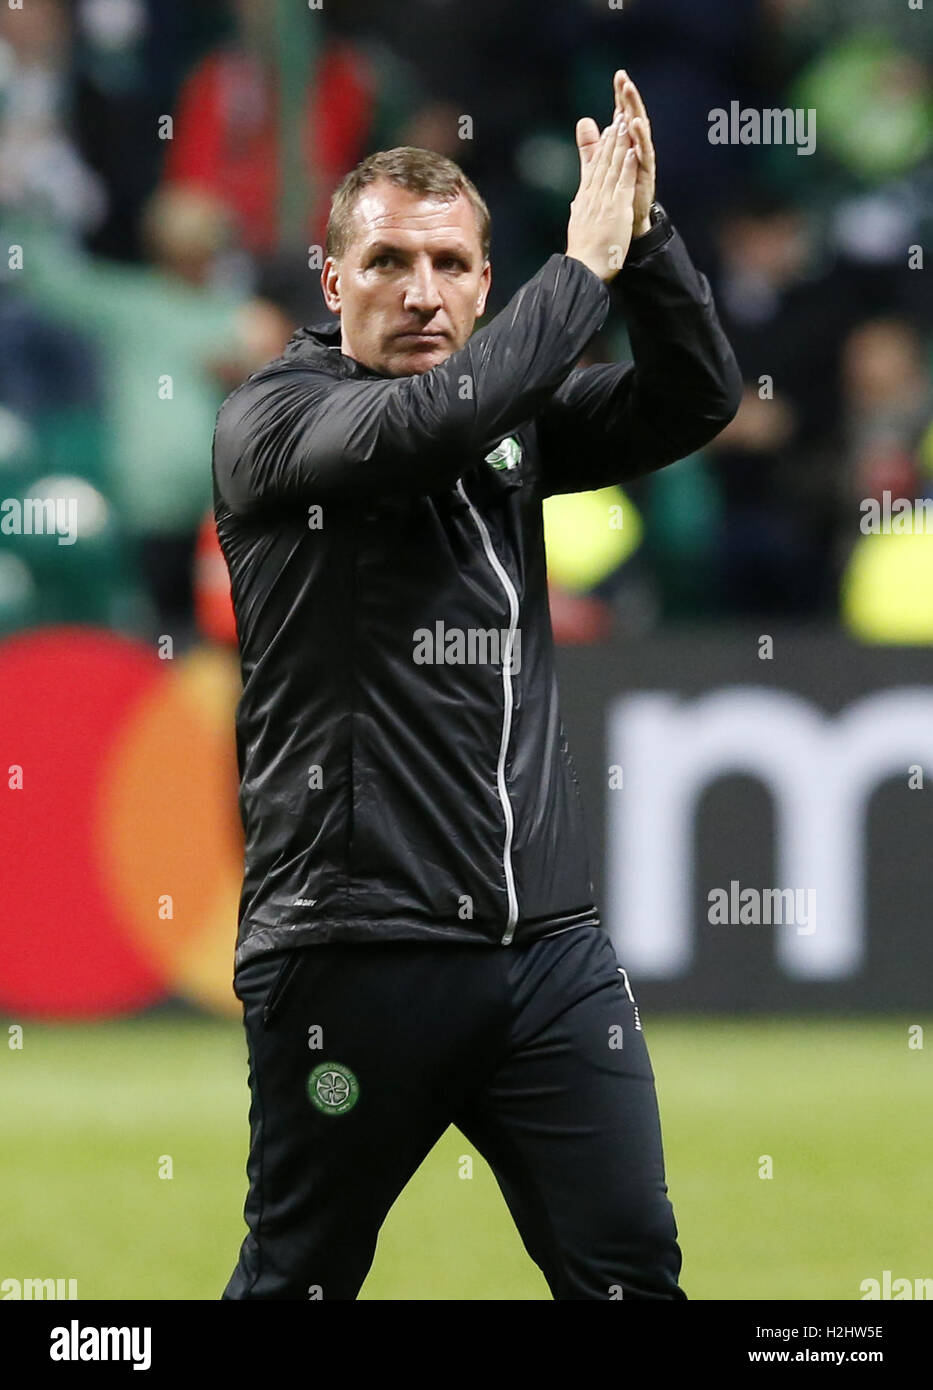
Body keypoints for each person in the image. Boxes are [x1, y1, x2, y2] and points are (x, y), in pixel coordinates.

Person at [213, 70, 742, 1301]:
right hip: (354, 952)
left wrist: (647, 242)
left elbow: (697, 396)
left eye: (452, 265)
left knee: (633, 1273)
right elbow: (432, 429)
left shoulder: (514, 412)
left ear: (485, 284)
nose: (422, 291)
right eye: (389, 261)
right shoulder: (273, 425)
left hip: (547, 955)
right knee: (297, 1277)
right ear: (332, 279)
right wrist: (583, 271)